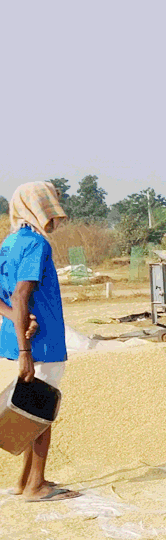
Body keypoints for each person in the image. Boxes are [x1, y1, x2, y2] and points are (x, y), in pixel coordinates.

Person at [0, 182, 78, 502]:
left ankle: (25, 481)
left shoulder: (9, 242)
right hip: (41, 344)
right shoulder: (36, 244)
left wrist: (16, 321)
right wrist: (25, 351)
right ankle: (36, 485)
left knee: (29, 409)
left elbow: (7, 300)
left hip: (20, 338)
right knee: (41, 411)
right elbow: (21, 295)